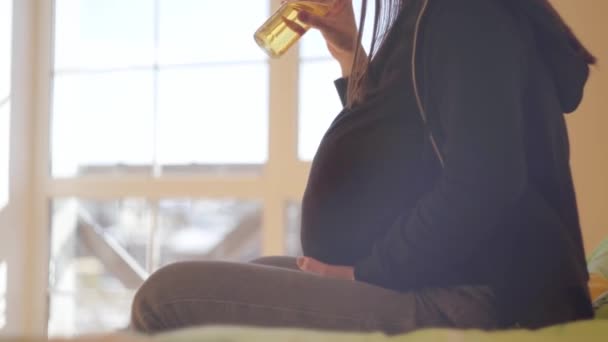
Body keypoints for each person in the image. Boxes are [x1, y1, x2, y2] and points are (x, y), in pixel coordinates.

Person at [130, 0, 596, 334]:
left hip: (477, 294)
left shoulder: (464, 15)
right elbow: (397, 145)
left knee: (166, 295)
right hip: (440, 275)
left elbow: (485, 184)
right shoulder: (429, 19)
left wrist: (368, 272)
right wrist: (349, 47)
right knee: (255, 271)